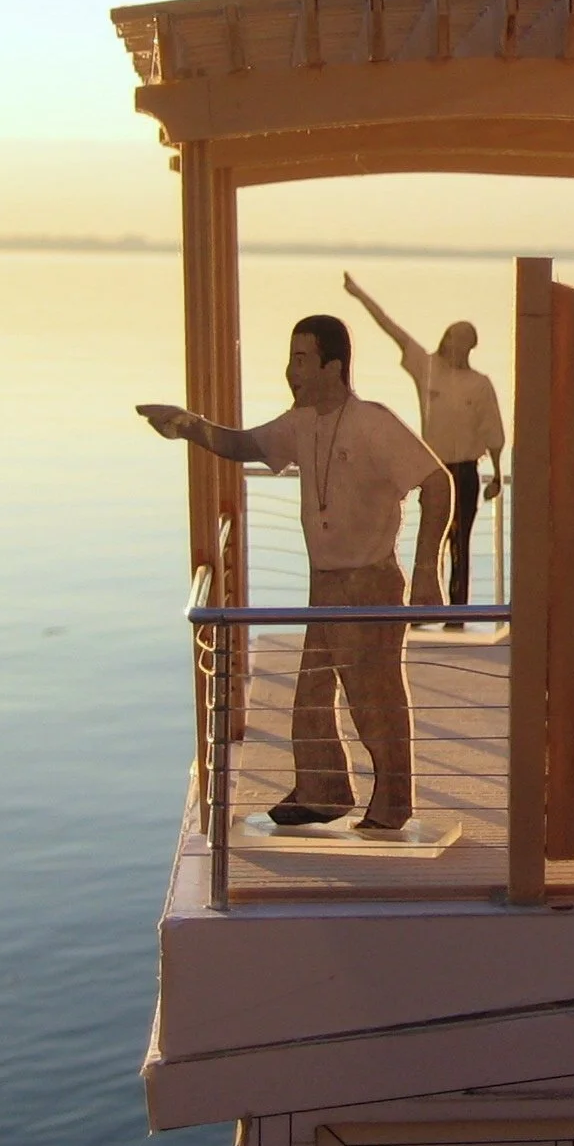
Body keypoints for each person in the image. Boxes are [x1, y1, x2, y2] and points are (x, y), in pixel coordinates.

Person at [137, 315, 447, 834]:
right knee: (312, 693)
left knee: (373, 696)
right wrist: (189, 425)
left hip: (369, 581)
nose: (290, 372)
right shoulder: (301, 423)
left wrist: (425, 571)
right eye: (290, 359)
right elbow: (243, 444)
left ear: (334, 365)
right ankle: (323, 790)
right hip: (325, 584)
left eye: (301, 360)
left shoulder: (372, 421)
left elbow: (437, 484)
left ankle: (393, 802)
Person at [343, 273, 504, 620]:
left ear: (469, 345)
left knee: (459, 543)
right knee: (428, 542)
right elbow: (392, 329)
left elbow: (492, 428)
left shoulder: (479, 384)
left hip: (465, 471)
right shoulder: (427, 367)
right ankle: (420, 608)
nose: (450, 343)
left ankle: (456, 614)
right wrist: (359, 294)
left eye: (458, 339)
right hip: (433, 471)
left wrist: (498, 475)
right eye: (448, 336)